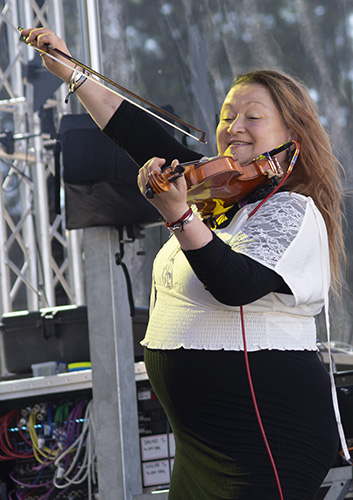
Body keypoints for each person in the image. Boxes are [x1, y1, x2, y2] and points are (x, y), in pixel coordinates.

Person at [21, 27, 347, 500]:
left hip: (263, 432)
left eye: (253, 117)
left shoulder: (291, 210)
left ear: (291, 136)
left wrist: (177, 213)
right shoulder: (219, 195)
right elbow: (136, 130)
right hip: (202, 445)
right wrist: (72, 71)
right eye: (226, 115)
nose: (233, 127)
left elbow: (235, 284)